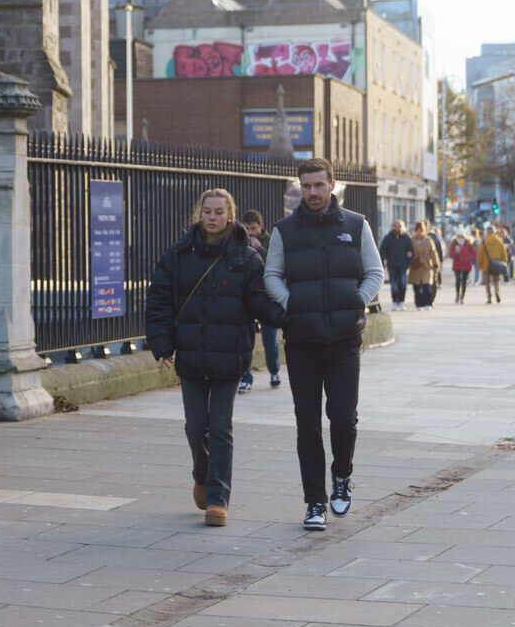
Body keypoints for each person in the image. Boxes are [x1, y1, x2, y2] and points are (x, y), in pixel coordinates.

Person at [147, 189, 285, 527]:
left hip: (230, 356)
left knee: (220, 427)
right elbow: (159, 301)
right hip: (191, 355)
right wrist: (162, 346)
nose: (212, 217)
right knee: (196, 427)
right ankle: (202, 473)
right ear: (199, 213)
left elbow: (259, 302)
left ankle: (218, 498)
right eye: (207, 211)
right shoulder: (178, 255)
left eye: (219, 212)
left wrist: (290, 316)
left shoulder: (246, 258)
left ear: (230, 214)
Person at [264, 158, 384, 531]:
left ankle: (342, 476)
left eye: (319, 185)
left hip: (344, 340)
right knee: (307, 424)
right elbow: (272, 275)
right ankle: (314, 501)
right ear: (300, 187)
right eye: (306, 186)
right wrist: (291, 303)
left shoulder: (355, 224)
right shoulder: (284, 230)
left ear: (332, 185)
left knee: (344, 418)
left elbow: (375, 271)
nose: (312, 192)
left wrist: (357, 301)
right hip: (301, 340)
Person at [239, 209, 282, 391]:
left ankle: (274, 371)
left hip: (266, 297)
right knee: (244, 340)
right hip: (247, 297)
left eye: (253, 228)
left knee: (269, 341)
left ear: (261, 227)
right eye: (246, 228)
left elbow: (276, 266)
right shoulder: (238, 241)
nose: (250, 232)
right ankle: (246, 378)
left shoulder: (271, 241)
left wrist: (259, 249)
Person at [378, 220, 413, 310]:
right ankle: (394, 301)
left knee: (402, 283)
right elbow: (382, 250)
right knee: (393, 284)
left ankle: (401, 301)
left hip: (402, 265)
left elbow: (411, 252)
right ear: (393, 227)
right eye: (396, 226)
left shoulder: (406, 238)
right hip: (392, 264)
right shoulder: (388, 238)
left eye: (400, 226)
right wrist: (382, 262)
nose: (398, 228)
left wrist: (408, 263)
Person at [407, 221, 440, 309]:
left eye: (421, 231)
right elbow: (407, 251)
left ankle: (428, 303)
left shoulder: (428, 240)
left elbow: (433, 252)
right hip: (415, 266)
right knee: (416, 287)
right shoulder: (411, 240)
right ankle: (419, 304)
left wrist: (436, 263)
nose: (419, 233)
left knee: (427, 286)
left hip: (426, 266)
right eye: (417, 231)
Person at [478, 225, 509, 303]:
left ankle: (489, 297)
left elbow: (480, 254)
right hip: (497, 263)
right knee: (497, 280)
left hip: (486, 264)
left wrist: (479, 265)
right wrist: (504, 262)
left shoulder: (484, 242)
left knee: (487, 282)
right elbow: (504, 253)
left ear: (487, 232)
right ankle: (497, 292)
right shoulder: (499, 241)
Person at [448, 230, 476, 304]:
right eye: (458, 236)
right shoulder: (454, 243)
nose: (460, 237)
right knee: (458, 280)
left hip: (466, 265)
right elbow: (450, 254)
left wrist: (468, 258)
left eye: (461, 236)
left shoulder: (468, 243)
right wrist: (455, 253)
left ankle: (462, 297)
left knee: (464, 281)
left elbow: (473, 254)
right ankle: (457, 294)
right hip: (457, 264)